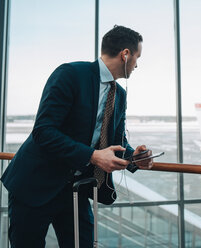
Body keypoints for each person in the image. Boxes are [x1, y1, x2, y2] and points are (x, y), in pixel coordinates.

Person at [1, 25, 153, 247]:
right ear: (125, 54)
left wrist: (135, 157)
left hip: (75, 188)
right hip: (35, 185)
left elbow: (116, 141)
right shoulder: (71, 74)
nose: (137, 65)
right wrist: (93, 156)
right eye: (137, 57)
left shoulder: (118, 95)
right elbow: (44, 131)